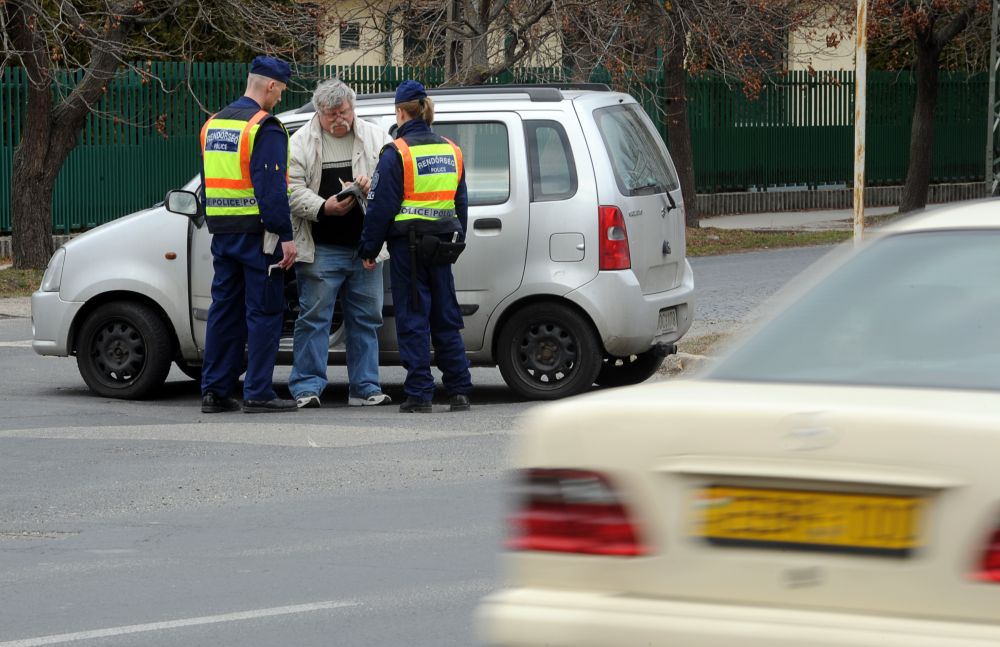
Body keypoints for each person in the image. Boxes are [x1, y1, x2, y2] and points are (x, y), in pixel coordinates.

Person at [358, 80, 473, 413]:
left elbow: (381, 208)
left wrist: (368, 249)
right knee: (446, 316)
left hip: (408, 249)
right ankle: (459, 390)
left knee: (413, 318)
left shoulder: (398, 152)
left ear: (400, 111)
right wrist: (457, 239)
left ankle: (420, 393)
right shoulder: (452, 150)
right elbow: (461, 203)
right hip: (441, 247)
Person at [199, 55, 299, 414]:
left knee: (224, 311)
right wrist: (286, 236)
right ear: (270, 85)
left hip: (223, 233)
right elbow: (271, 189)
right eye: (281, 91)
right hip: (258, 237)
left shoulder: (213, 124)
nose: (280, 99)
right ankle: (258, 390)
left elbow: (210, 182)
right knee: (264, 312)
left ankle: (214, 391)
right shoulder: (264, 126)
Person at [287, 79, 393, 408]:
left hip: (365, 248)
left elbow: (392, 184)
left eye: (344, 111)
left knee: (366, 318)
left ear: (353, 107)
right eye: (331, 114)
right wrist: (323, 207)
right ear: (319, 112)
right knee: (314, 318)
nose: (339, 119)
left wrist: (367, 185)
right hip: (321, 248)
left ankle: (364, 387)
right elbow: (290, 189)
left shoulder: (377, 137)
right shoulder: (300, 141)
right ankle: (307, 387)